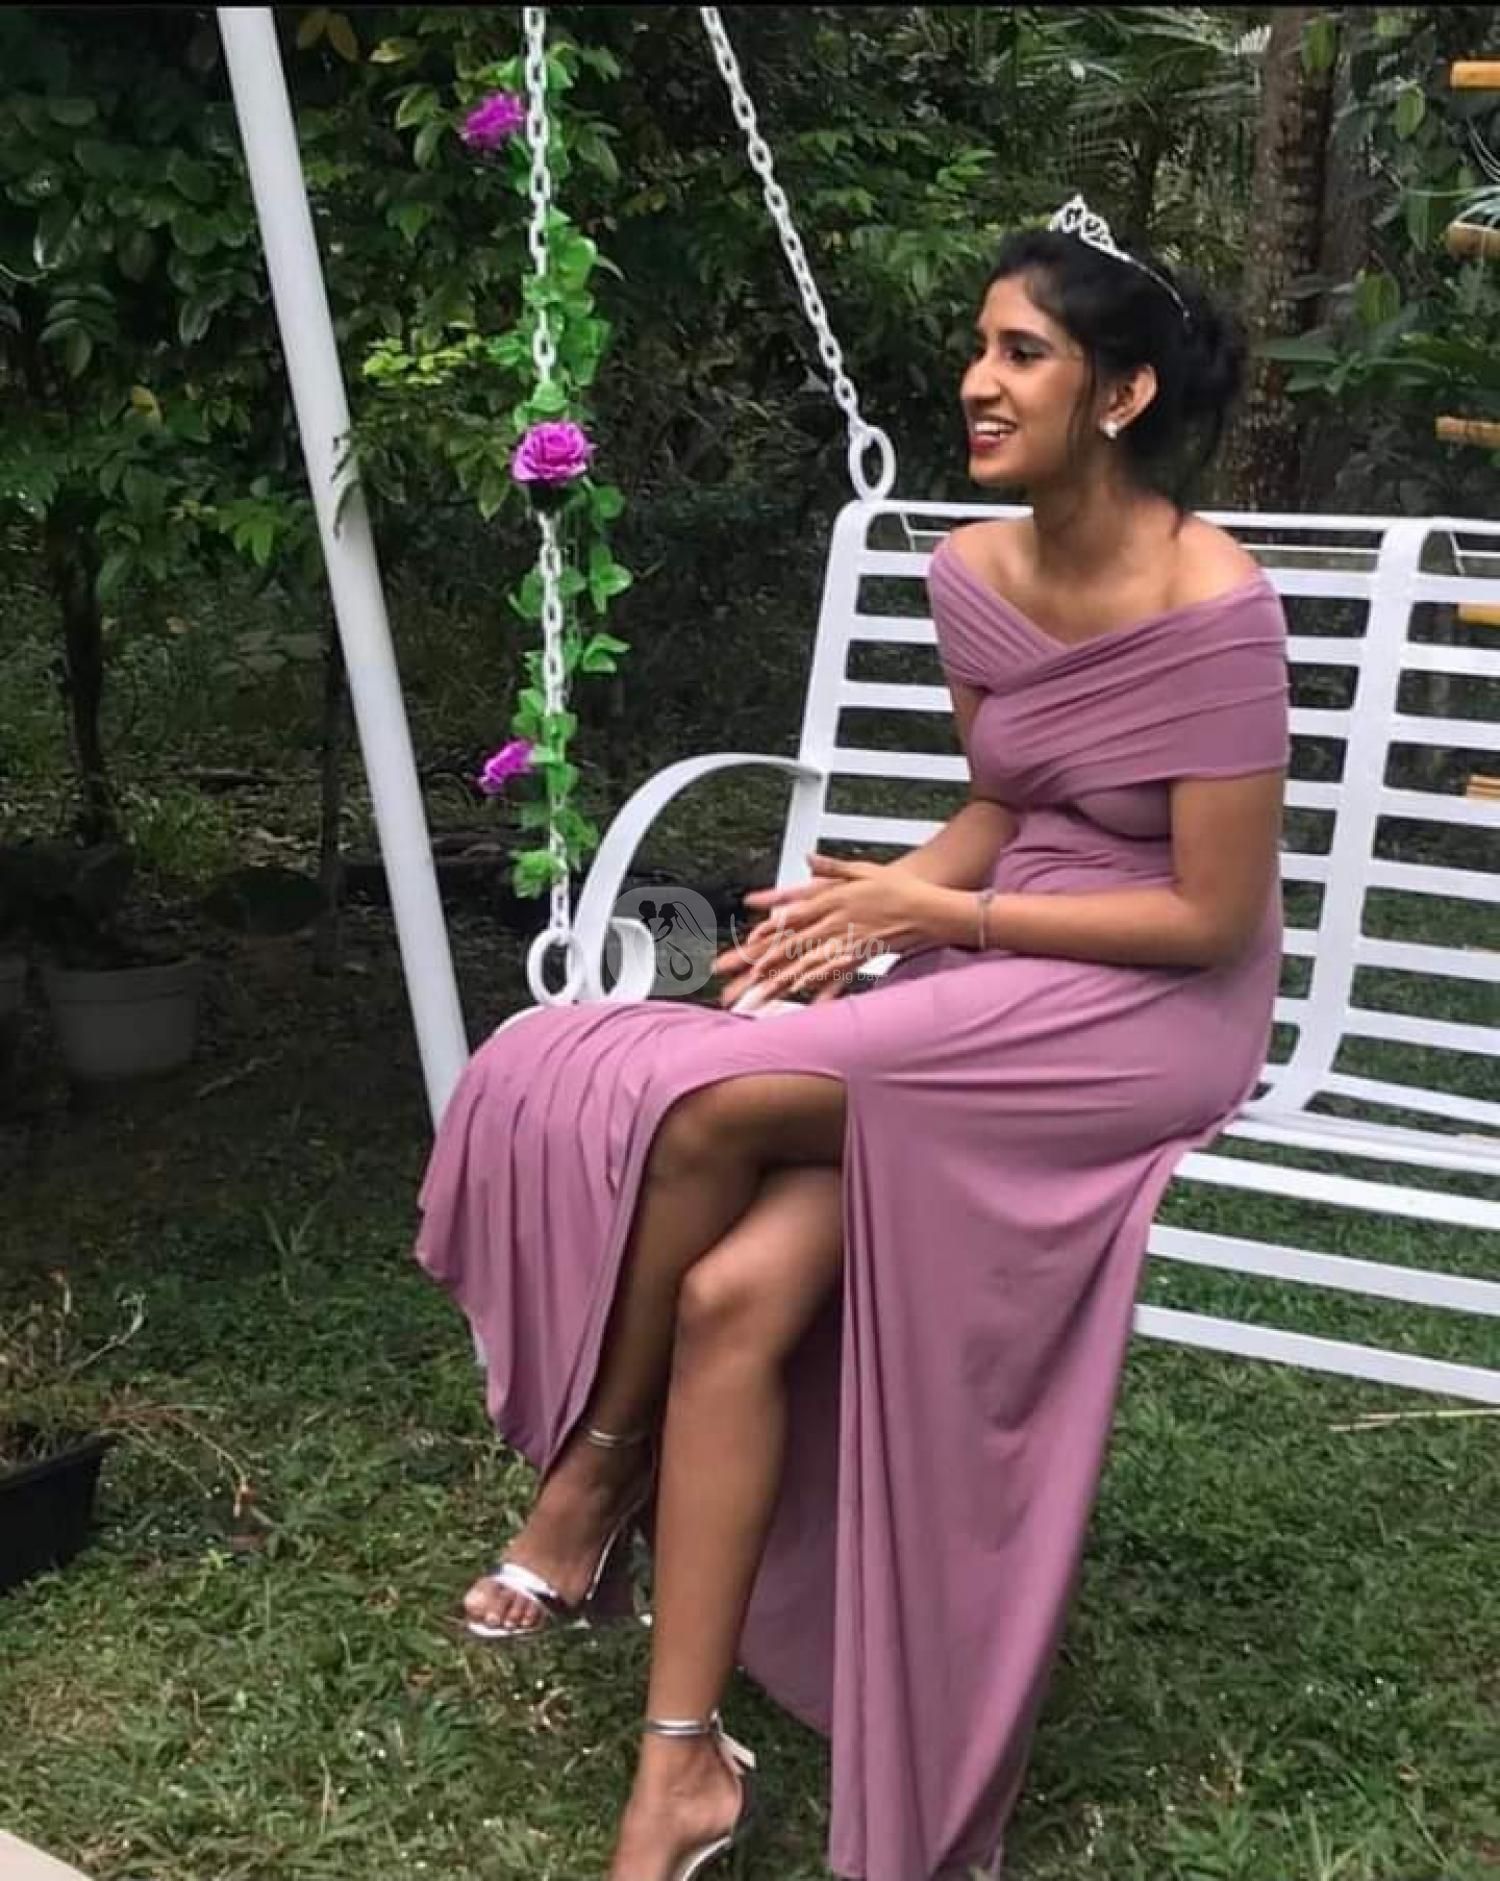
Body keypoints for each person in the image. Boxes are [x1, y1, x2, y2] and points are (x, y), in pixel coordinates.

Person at [414, 194, 1289, 1881]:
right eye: (977, 346)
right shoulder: (975, 574)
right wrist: (879, 901)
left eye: (1021, 352)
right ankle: (682, 1764)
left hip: (1148, 1015)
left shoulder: (1214, 602)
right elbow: (1007, 811)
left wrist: (930, 918)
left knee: (685, 1095)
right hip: (995, 972)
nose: (976, 380)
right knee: (734, 1292)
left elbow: (1208, 917)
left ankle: (594, 1472)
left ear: (1119, 394)